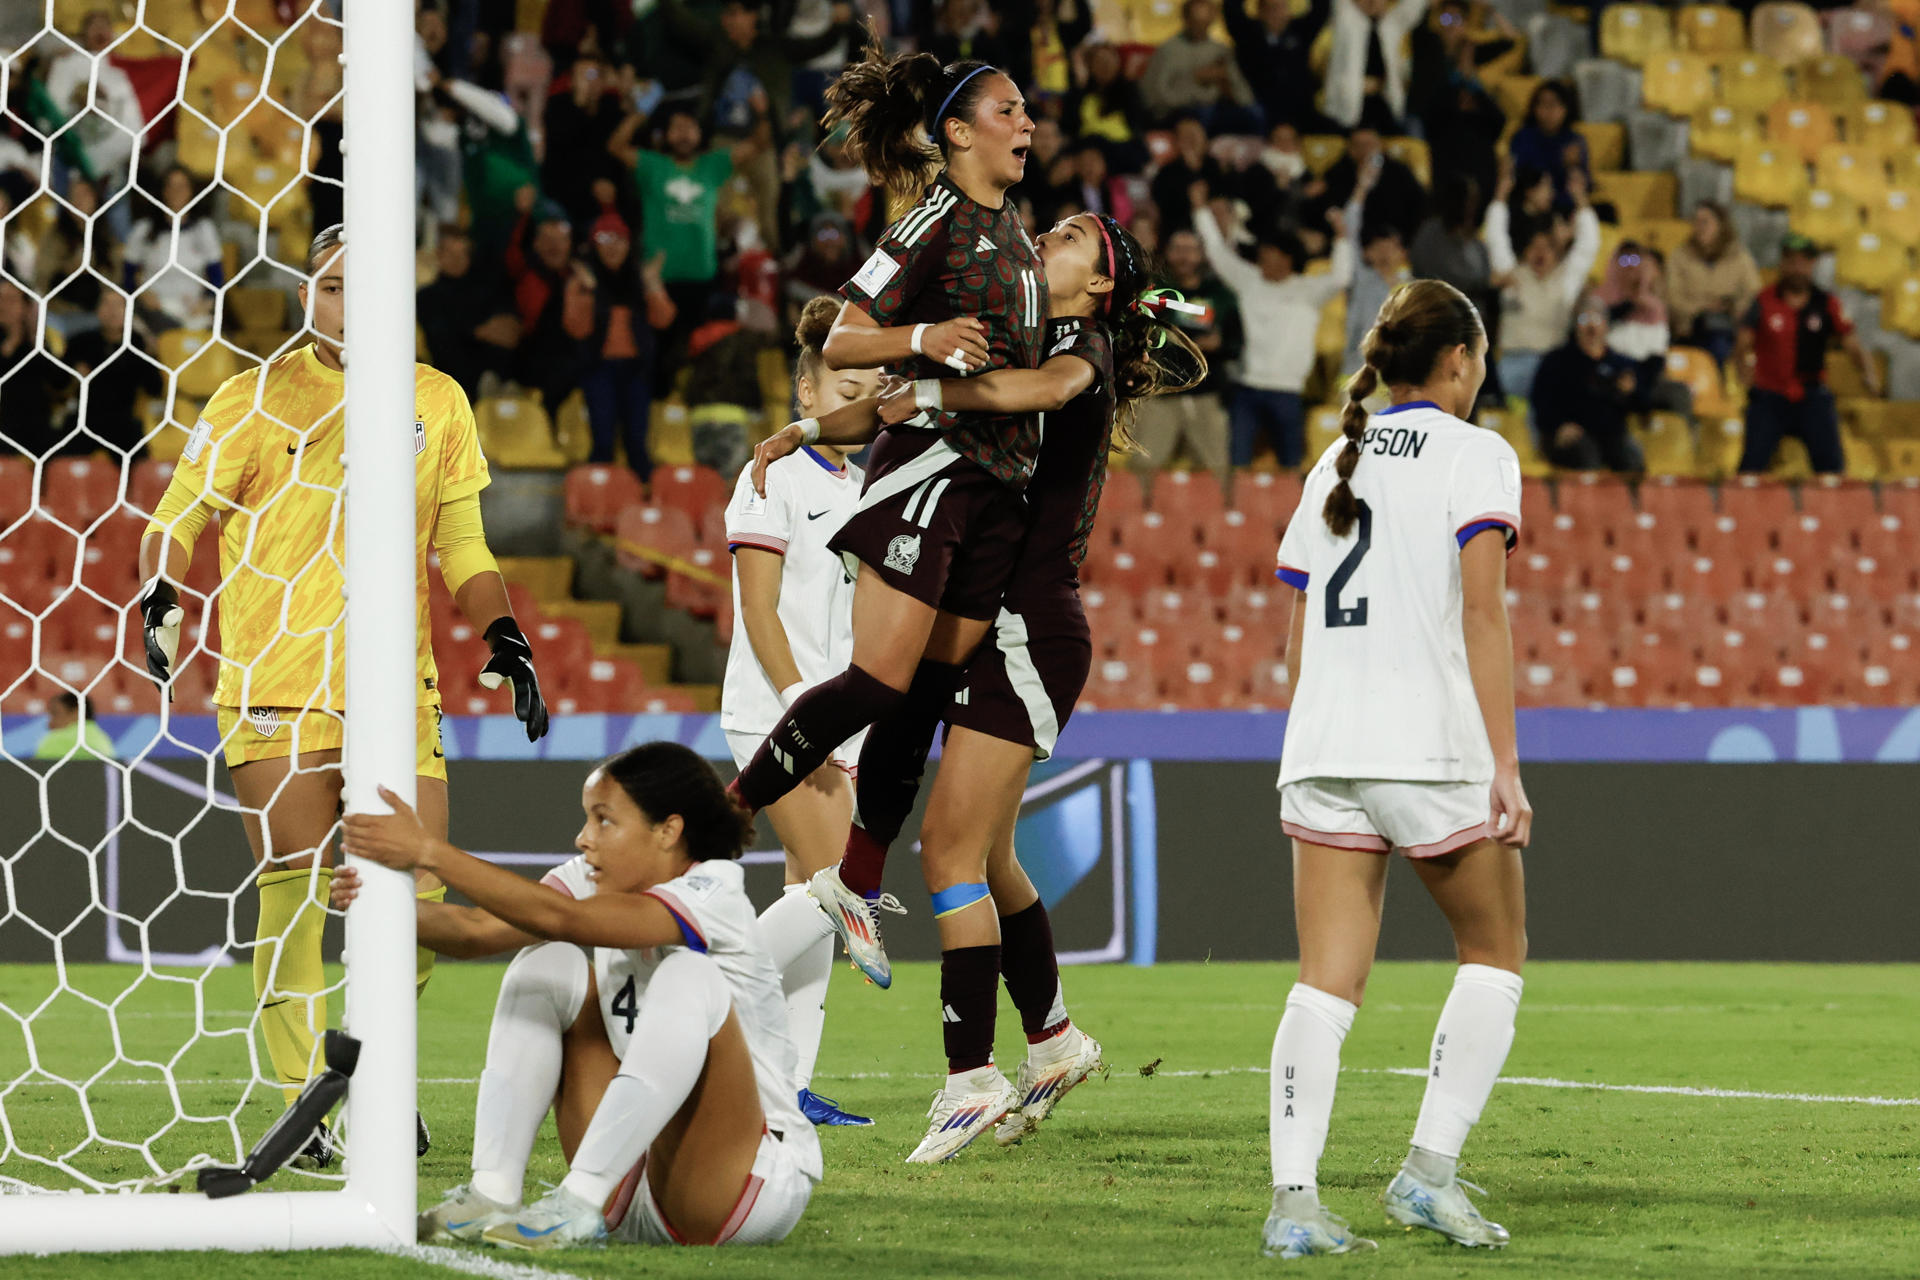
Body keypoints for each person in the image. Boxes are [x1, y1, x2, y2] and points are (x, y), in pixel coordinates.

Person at [758, 211, 1204, 1162]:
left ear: (1102, 287)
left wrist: (921, 379)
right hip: (994, 620)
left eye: (1078, 236)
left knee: (950, 852)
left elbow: (1030, 389)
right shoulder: (1019, 332)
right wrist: (809, 424)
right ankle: (1053, 1038)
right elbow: (909, 405)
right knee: (988, 859)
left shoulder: (1077, 348)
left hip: (1028, 633)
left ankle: (970, 1078)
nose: (1054, 233)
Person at [136, 225, 551, 1165]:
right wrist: (161, 590)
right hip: (274, 680)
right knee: (292, 898)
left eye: (361, 285)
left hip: (396, 690)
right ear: (304, 297)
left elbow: (463, 545)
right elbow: (177, 518)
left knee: (414, 901)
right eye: (328, 286)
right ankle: (303, 1110)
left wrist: (504, 631)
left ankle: (370, 1077)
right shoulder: (252, 398)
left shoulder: (436, 399)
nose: (345, 302)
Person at [721, 47, 1049, 958]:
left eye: (1027, 110)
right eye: (1008, 109)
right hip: (926, 479)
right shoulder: (931, 223)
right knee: (879, 682)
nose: (1027, 122)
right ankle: (735, 806)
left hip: (991, 496)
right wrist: (925, 337)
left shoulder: (1016, 232)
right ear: (957, 131)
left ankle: (856, 876)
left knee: (919, 694)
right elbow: (846, 337)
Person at [1263, 277, 1531, 1258]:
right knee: (1494, 956)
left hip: (1325, 741)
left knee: (1325, 984)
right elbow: (1483, 610)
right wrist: (1505, 761)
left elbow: (1295, 622)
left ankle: (1293, 1202)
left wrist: (1315, 731)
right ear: (1459, 360)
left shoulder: (1337, 455)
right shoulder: (1479, 454)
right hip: (1427, 744)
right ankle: (1426, 1173)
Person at [337, 743, 820, 1250]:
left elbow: (561, 918)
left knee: (689, 975)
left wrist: (429, 852)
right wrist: (374, 903)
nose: (583, 838)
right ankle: (492, 1192)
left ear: (667, 831)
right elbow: (475, 932)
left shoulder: (713, 893)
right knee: (548, 963)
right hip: (633, 1181)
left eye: (604, 820)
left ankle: (580, 1199)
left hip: (743, 1187)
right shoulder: (589, 878)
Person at [719, 297, 879, 1131]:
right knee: (837, 892)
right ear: (807, 394)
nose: (861, 399)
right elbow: (759, 609)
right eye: (845, 384)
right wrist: (799, 712)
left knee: (813, 907)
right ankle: (707, 1004)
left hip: (840, 720)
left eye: (874, 384)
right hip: (782, 714)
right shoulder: (769, 479)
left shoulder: (861, 485)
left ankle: (785, 1087)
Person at [1193, 180, 1356, 467]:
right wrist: (1200, 210)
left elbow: (1342, 277)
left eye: (1268, 254)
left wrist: (1342, 235)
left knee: (1292, 467)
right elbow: (1217, 251)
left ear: (1287, 259)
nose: (1261, 259)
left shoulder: (1308, 291)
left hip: (1288, 393)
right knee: (1237, 463)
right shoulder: (1248, 280)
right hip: (1247, 388)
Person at [1736, 233, 1883, 475]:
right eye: (1791, 261)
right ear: (1782, 263)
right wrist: (1745, 373)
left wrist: (1868, 374)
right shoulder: (1763, 301)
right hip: (1770, 395)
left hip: (1812, 394)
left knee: (1832, 469)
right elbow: (1743, 344)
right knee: (1751, 467)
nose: (1797, 268)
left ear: (1812, 265)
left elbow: (1852, 344)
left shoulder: (1827, 304)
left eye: (1803, 262)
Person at [564, 211, 676, 483]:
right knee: (602, 441)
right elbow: (576, 327)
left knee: (637, 444)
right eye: (604, 238)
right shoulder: (581, 281)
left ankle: (643, 508)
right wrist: (590, 291)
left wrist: (651, 285)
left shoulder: (640, 278)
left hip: (635, 371)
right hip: (598, 370)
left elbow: (665, 318)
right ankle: (599, 502)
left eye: (619, 239)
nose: (612, 246)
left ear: (629, 244)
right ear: (594, 244)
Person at [1133, 227, 1239, 488]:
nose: (1184, 256)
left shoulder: (1220, 295)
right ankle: (1136, 526)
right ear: (1167, 253)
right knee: (1141, 470)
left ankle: (1219, 526)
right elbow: (1135, 333)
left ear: (1202, 255)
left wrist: (1219, 344)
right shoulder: (1153, 292)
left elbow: (1236, 343)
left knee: (1216, 471)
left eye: (1190, 250)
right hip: (1160, 395)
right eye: (1177, 249)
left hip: (1207, 395)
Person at [1484, 164, 1599, 404]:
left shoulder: (1566, 280)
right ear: (1525, 252)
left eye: (1547, 249)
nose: (1540, 254)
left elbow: (1588, 244)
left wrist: (1580, 198)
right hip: (1513, 365)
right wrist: (1500, 197)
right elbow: (1496, 238)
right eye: (1534, 248)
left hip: (1552, 366)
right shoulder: (1512, 277)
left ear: (1556, 254)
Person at [1529, 296, 1648, 473]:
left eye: (1597, 319)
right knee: (1586, 454)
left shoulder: (1621, 364)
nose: (1591, 326)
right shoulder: (1556, 361)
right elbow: (1540, 401)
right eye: (1584, 319)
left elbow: (1642, 406)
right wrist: (1557, 427)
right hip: (1569, 435)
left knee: (1631, 456)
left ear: (1606, 324)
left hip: (1610, 435)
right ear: (1575, 325)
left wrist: (1630, 392)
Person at [417, 224, 522, 403]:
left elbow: (511, 332)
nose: (457, 260)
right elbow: (441, 336)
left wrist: (471, 330)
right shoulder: (427, 296)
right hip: (452, 378)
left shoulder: (488, 288)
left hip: (494, 370)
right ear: (439, 255)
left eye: (461, 254)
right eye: (450, 254)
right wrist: (480, 330)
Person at [121, 166, 223, 332]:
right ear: (163, 191)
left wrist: (205, 304)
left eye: (182, 186)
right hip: (154, 310)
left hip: (193, 309)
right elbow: (128, 274)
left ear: (191, 191)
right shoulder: (143, 229)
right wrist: (143, 296)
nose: (177, 191)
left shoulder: (204, 229)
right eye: (171, 186)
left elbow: (217, 276)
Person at [1667, 201, 1760, 370]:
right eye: (1695, 221)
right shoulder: (1680, 256)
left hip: (1728, 328)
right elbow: (1672, 297)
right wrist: (1703, 307)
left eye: (1705, 222)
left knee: (1720, 343)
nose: (1698, 227)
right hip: (1688, 330)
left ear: (1721, 225)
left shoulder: (1740, 257)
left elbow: (1753, 294)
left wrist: (1730, 306)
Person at [1141, 0, 1259, 130]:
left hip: (1216, 109)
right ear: (1186, 19)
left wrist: (1225, 81)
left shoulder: (1220, 50)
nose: (1200, 28)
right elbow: (1155, 97)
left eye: (1205, 23)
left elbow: (1245, 96)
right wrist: (1195, 79)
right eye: (1196, 22)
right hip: (1178, 114)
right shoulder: (1168, 51)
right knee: (1204, 113)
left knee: (1254, 113)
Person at [1322, 0, 1430, 133]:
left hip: (1384, 103)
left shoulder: (1391, 25)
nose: (1372, 2)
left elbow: (1414, 5)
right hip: (1349, 104)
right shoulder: (1346, 19)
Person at [1507, 79, 1589, 211]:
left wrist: (1572, 168)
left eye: (1554, 104)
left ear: (1566, 108)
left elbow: (1584, 185)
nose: (1549, 111)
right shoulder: (1522, 137)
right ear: (1534, 108)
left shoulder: (1574, 141)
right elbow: (1517, 177)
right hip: (1529, 202)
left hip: (1563, 205)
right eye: (1543, 104)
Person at [33, 691, 115, 762]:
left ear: (77, 712)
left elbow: (40, 770)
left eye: (55, 714)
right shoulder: (104, 740)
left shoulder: (56, 740)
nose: (49, 724)